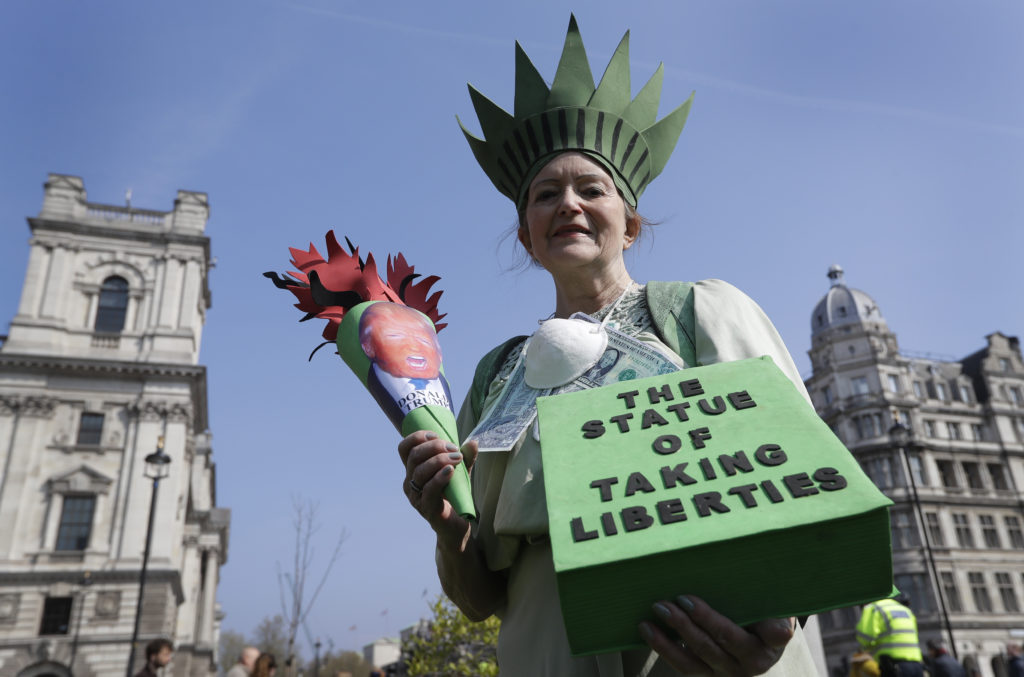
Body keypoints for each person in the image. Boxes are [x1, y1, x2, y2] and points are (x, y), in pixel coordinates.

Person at [397, 15, 823, 677]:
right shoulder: (494, 374)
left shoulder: (702, 310)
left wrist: (773, 626)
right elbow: (480, 598)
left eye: (590, 188)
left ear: (629, 222)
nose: (568, 203)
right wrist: (447, 523)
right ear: (526, 237)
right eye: (545, 195)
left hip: (705, 654)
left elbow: (808, 488)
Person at [855, 596, 923, 676]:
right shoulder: (904, 609)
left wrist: (869, 648)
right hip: (916, 665)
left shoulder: (873, 608)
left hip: (892, 666)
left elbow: (865, 637)